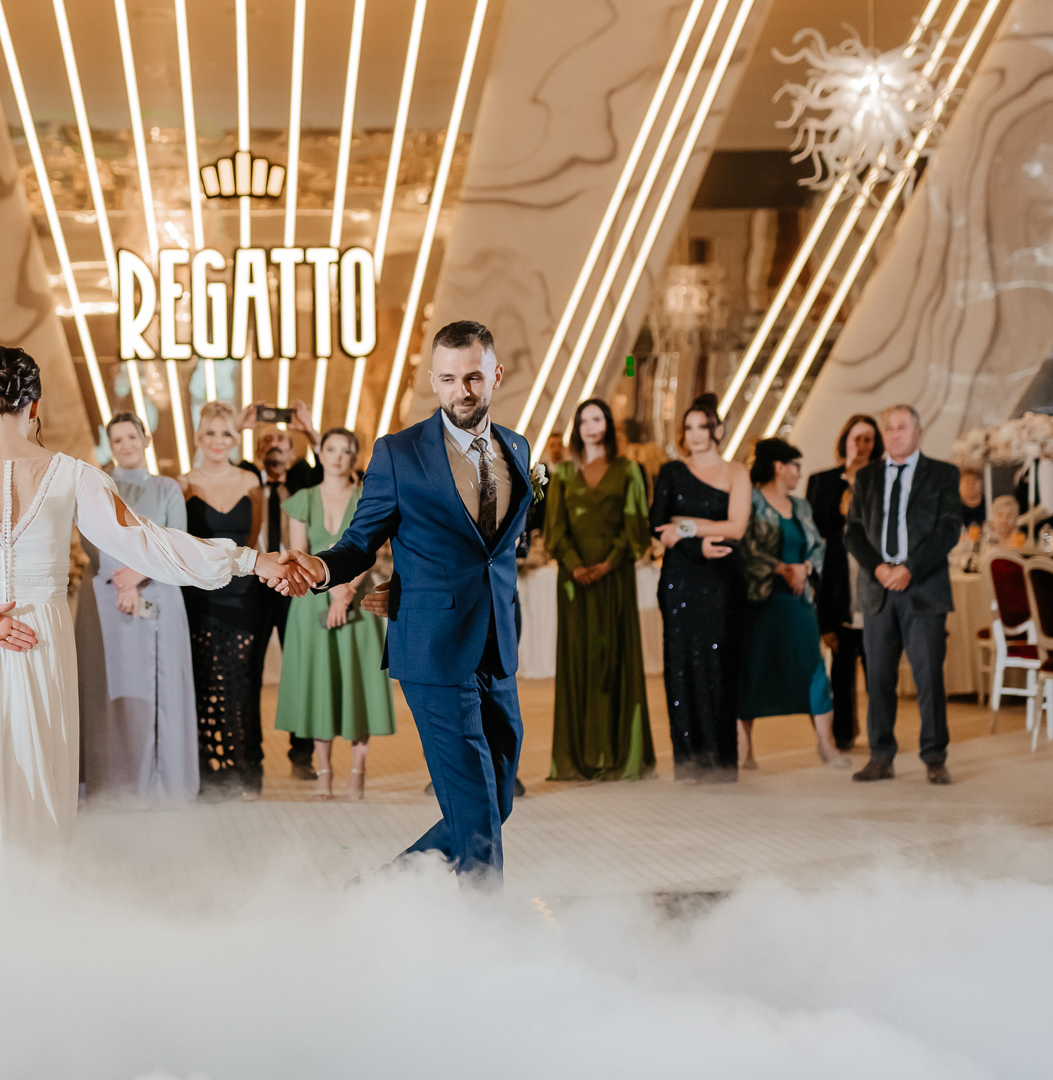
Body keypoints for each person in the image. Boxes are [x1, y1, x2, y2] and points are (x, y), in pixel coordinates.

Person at [0, 347, 298, 872]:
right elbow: (150, 543)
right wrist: (249, 559)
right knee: (35, 771)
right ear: (35, 405)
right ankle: (32, 891)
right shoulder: (72, 474)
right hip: (38, 640)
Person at [275, 320, 532, 885]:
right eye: (449, 379)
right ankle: (486, 924)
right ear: (433, 381)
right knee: (475, 807)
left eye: (473, 377)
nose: (462, 391)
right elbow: (360, 541)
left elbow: (494, 548)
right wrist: (323, 568)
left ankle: (381, 889)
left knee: (495, 801)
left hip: (497, 647)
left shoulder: (517, 447)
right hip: (432, 648)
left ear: (495, 375)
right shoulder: (399, 453)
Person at [76, 413, 201, 806]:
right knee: (112, 686)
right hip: (109, 601)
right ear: (109, 446)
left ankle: (162, 783)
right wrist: (122, 580)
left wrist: (136, 575)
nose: (126, 445)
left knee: (161, 687)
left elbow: (178, 541)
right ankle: (114, 783)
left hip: (159, 595)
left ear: (146, 440)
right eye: (118, 440)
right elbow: (92, 539)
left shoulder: (167, 488)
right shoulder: (98, 487)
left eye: (132, 437)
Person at [844, 404, 962, 785]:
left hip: (923, 588)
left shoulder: (944, 474)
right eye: (889, 428)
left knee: (929, 677)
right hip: (877, 588)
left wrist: (910, 567)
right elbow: (853, 531)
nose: (895, 434)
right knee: (878, 677)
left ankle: (935, 757)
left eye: (902, 427)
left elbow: (949, 528)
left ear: (918, 432)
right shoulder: (867, 477)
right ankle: (880, 757)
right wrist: (878, 568)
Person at [275, 428, 394, 800]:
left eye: (346, 450)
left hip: (358, 598)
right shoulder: (303, 500)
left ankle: (358, 771)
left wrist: (345, 594)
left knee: (361, 683)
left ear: (355, 457)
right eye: (331, 449)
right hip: (313, 600)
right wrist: (330, 593)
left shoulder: (367, 497)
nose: (338, 456)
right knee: (319, 684)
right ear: (321, 454)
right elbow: (299, 554)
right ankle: (323, 771)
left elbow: (373, 548)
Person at [544, 398, 653, 781]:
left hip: (615, 577)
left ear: (607, 424)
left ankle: (618, 754)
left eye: (597, 419)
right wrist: (575, 564)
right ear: (577, 428)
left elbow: (635, 525)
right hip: (573, 581)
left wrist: (609, 563)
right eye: (584, 421)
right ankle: (580, 757)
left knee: (615, 659)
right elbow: (554, 529)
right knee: (578, 660)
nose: (590, 427)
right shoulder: (561, 473)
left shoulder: (629, 470)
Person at [649, 396, 749, 783]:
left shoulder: (736, 472)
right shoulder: (671, 472)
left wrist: (686, 527)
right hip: (679, 578)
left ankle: (721, 764)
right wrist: (697, 540)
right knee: (681, 668)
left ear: (717, 430)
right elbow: (659, 525)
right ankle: (688, 763)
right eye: (688, 428)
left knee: (719, 666)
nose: (695, 435)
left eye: (702, 427)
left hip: (722, 579)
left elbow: (737, 527)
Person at [178, 401, 268, 799]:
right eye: (211, 433)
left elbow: (256, 539)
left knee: (241, 681)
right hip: (199, 596)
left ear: (236, 438)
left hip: (243, 595)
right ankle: (207, 769)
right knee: (204, 679)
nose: (218, 441)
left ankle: (240, 769)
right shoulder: (182, 483)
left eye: (226, 433)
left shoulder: (251, 482)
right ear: (199, 438)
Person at [738, 439, 845, 769]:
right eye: (795, 465)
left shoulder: (801, 506)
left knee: (813, 669)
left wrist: (805, 568)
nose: (800, 472)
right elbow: (745, 547)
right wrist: (782, 568)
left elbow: (818, 547)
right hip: (761, 601)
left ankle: (826, 745)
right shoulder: (750, 500)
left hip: (799, 602)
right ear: (779, 467)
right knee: (753, 670)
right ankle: (745, 750)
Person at [238, 412, 323, 781]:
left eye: (282, 442)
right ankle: (250, 757)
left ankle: (302, 754)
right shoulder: (245, 478)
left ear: (292, 453)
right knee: (248, 672)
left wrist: (309, 431)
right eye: (267, 442)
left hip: (295, 586)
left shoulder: (303, 481)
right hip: (252, 587)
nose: (274, 446)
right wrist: (239, 427)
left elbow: (330, 470)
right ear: (258, 452)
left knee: (299, 669)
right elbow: (218, 462)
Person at [806, 414, 881, 752]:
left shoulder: (885, 481)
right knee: (841, 665)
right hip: (838, 582)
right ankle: (843, 734)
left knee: (878, 667)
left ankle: (880, 732)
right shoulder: (823, 481)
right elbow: (816, 532)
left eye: (868, 440)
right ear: (845, 441)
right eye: (856, 439)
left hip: (874, 581)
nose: (862, 446)